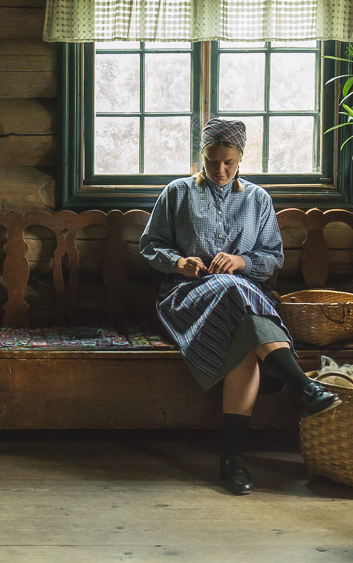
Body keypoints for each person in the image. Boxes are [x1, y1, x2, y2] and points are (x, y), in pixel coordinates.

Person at [139, 118, 340, 496]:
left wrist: (242, 262)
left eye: (229, 162)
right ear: (202, 156)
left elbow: (272, 256)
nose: (220, 170)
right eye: (213, 161)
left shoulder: (257, 200)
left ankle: (232, 459)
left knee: (244, 336)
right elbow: (150, 245)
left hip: (244, 297)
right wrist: (178, 262)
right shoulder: (177, 193)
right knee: (234, 293)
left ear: (241, 159)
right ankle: (303, 387)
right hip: (187, 295)